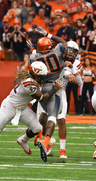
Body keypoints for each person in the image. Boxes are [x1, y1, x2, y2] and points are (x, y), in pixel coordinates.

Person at [0, 61, 64, 159]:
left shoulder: (33, 78)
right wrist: (54, 89)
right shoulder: (29, 83)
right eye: (42, 76)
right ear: (36, 75)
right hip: (9, 106)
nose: (44, 77)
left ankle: (23, 140)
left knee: (38, 128)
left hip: (22, 107)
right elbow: (42, 97)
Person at [34, 41, 83, 159]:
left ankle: (62, 149)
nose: (71, 53)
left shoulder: (75, 63)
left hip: (60, 94)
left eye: (73, 51)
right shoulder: (55, 57)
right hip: (47, 90)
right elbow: (54, 72)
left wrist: (73, 69)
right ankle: (43, 141)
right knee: (42, 120)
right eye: (69, 50)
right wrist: (67, 73)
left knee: (61, 120)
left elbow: (80, 82)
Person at [29, 26, 67, 162]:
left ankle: (38, 137)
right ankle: (45, 142)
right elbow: (63, 42)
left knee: (44, 113)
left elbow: (33, 70)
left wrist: (32, 50)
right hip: (54, 87)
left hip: (41, 87)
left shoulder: (33, 57)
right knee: (53, 116)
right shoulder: (57, 52)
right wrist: (48, 35)